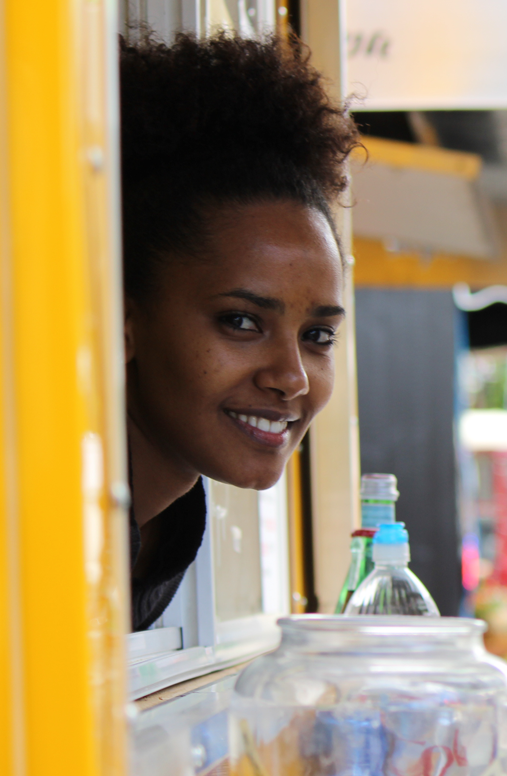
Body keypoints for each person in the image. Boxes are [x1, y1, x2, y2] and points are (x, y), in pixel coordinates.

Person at [121, 32, 359, 630]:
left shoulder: (170, 521)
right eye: (242, 322)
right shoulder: (34, 526)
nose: (291, 378)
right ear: (124, 320)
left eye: (318, 336)